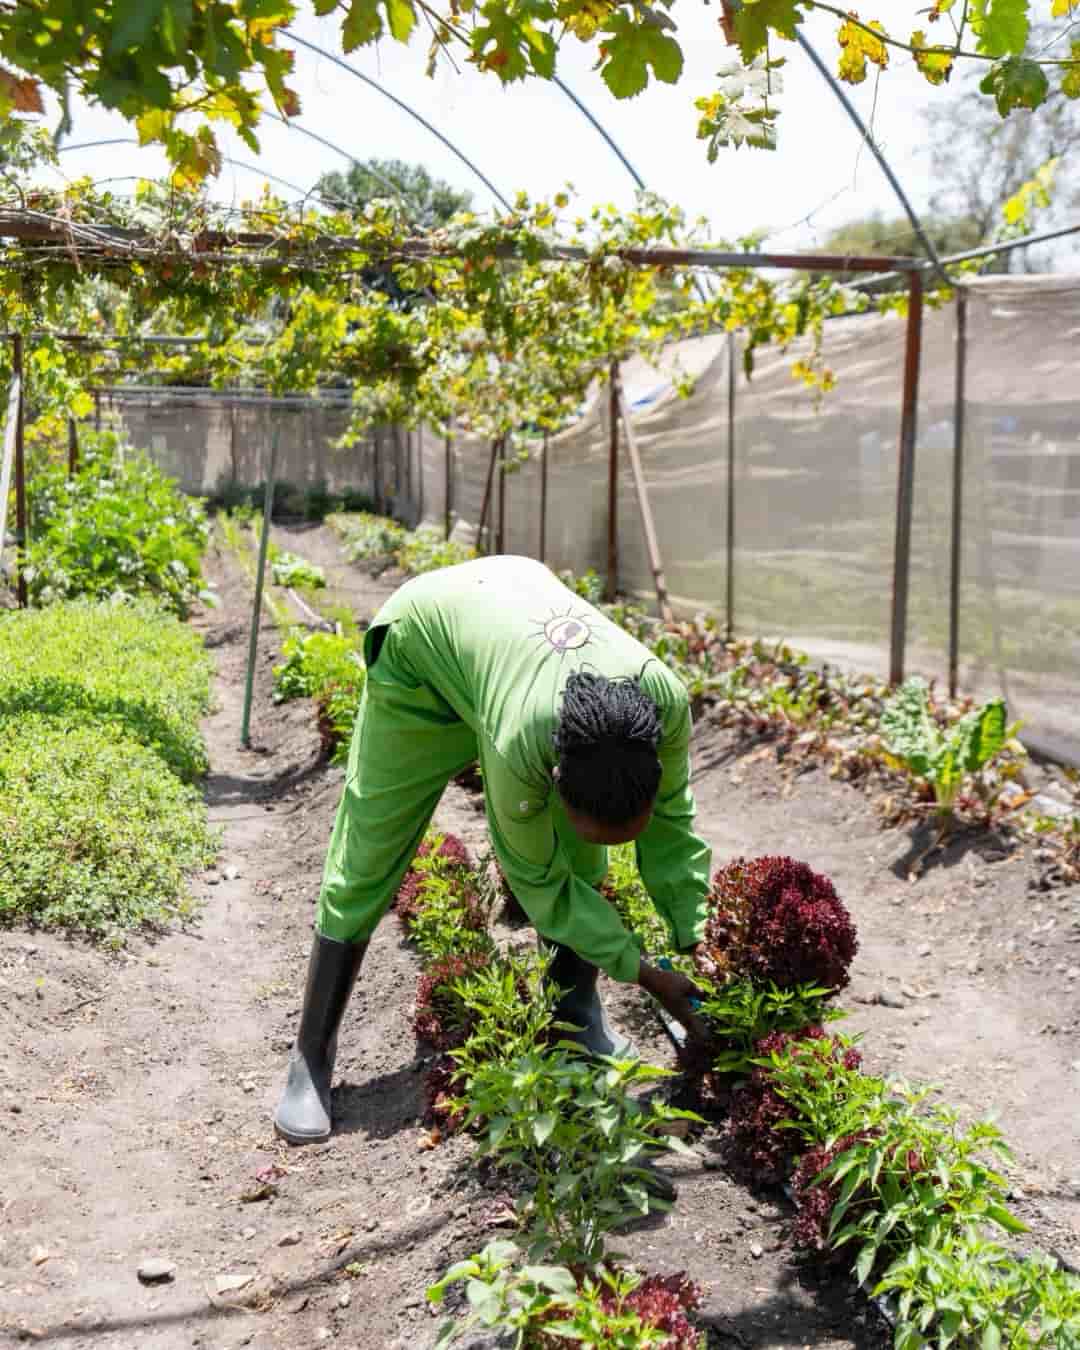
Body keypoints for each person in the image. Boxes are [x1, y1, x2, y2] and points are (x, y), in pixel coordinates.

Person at [274, 555, 713, 1147]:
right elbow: (536, 880)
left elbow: (673, 826)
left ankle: (575, 1014)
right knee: (372, 846)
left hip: (509, 614)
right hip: (423, 651)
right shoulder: (522, 739)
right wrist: (644, 971)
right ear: (555, 780)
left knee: (581, 861)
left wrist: (696, 941)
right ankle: (312, 1055)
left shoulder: (663, 701)